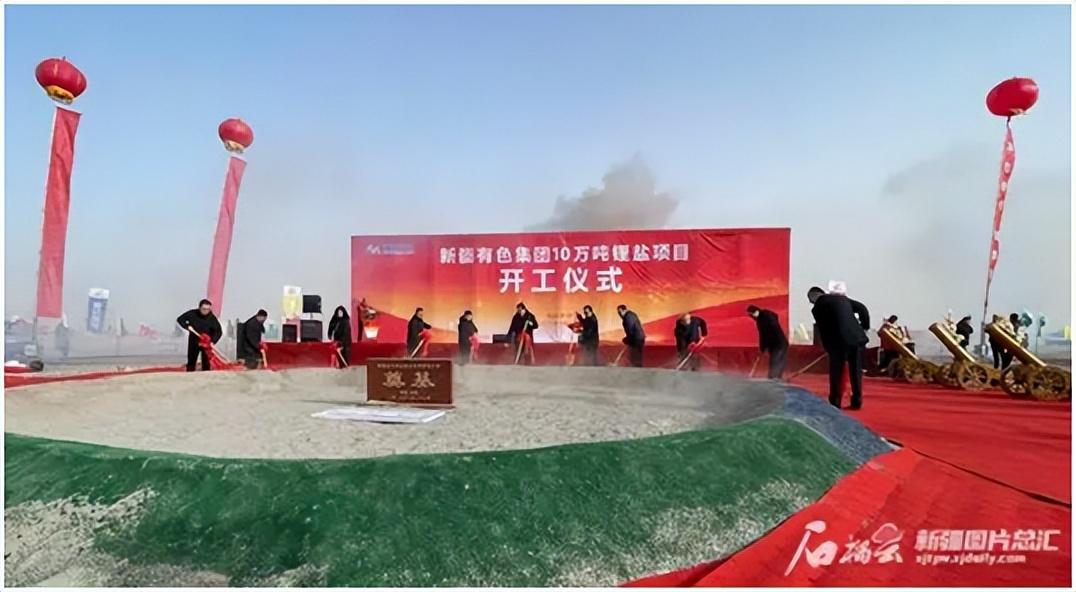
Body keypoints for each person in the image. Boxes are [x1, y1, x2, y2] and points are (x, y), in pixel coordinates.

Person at [808, 287, 869, 409]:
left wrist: (828, 347)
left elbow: (824, 329)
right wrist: (864, 326)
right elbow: (862, 308)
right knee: (855, 371)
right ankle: (857, 401)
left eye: (810, 299)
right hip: (857, 338)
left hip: (838, 342)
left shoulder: (817, 307)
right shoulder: (842, 299)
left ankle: (835, 402)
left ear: (814, 296)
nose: (810, 302)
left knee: (836, 372)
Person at [176, 299, 223, 372]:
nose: (206, 311)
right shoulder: (192, 314)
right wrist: (187, 326)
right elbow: (180, 319)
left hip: (206, 343)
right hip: (194, 341)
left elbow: (218, 332)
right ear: (199, 308)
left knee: (206, 363)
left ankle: (206, 376)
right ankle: (190, 375)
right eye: (204, 309)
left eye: (208, 309)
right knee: (191, 361)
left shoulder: (212, 318)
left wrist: (213, 341)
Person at [747, 305, 788, 379]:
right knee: (774, 361)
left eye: (751, 315)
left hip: (779, 343)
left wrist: (762, 348)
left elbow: (764, 335)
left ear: (755, 312)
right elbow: (763, 336)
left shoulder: (764, 318)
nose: (752, 317)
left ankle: (775, 378)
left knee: (776, 360)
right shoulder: (762, 319)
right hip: (774, 344)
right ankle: (774, 377)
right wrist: (762, 348)